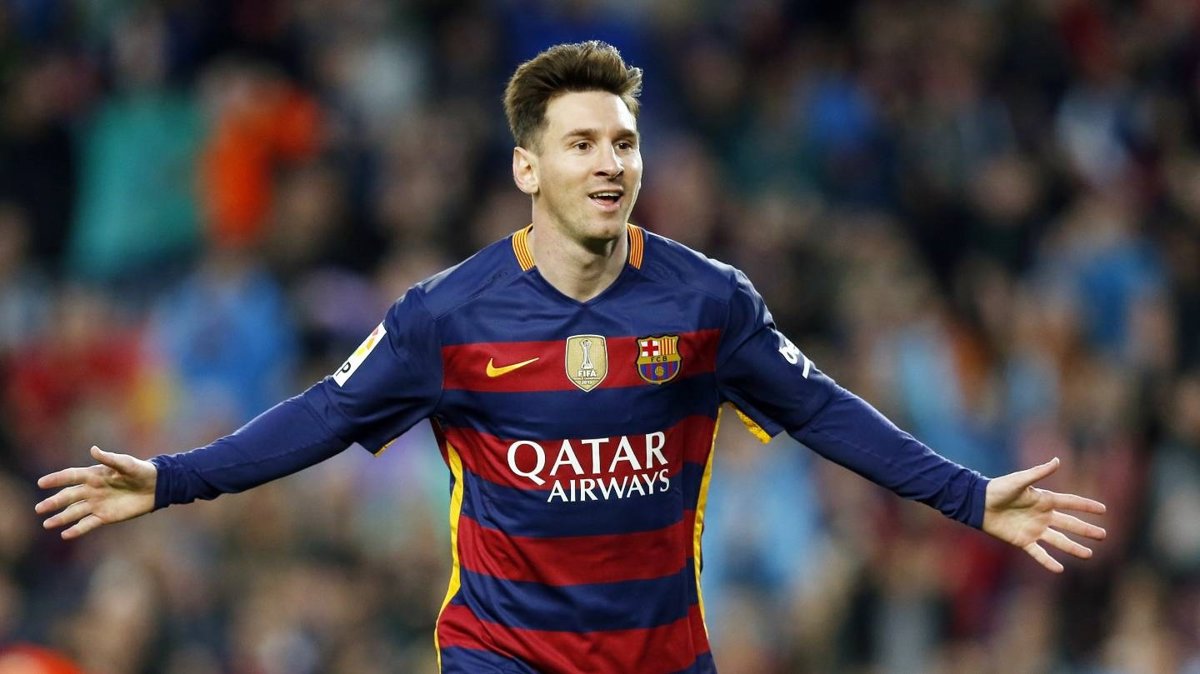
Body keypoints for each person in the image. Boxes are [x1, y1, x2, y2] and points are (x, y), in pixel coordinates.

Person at [35, 41, 1106, 674]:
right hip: (503, 655)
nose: (610, 163)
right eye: (582, 143)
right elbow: (324, 412)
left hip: (661, 655)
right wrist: (174, 478)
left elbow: (822, 409)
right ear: (527, 167)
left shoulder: (707, 300)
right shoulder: (446, 316)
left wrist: (970, 496)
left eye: (624, 142)